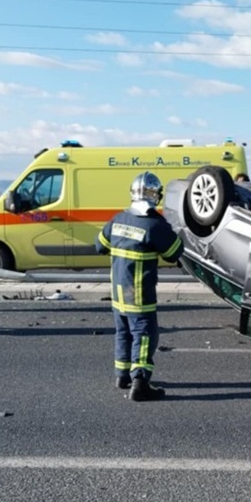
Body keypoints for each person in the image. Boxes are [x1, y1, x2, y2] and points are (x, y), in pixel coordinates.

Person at [95, 171, 184, 402]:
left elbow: (99, 246)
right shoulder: (155, 224)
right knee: (145, 335)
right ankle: (140, 382)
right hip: (139, 293)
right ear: (156, 195)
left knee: (123, 332)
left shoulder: (118, 220)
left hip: (118, 293)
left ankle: (122, 375)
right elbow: (175, 252)